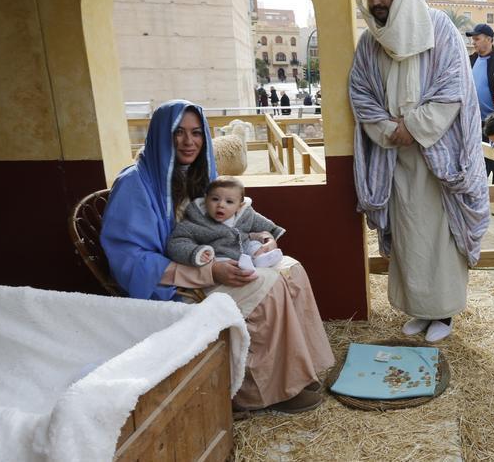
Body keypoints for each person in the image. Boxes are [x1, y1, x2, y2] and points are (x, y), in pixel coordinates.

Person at [100, 100, 334, 413]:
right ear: (160, 134)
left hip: (214, 264)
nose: (188, 141)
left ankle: (301, 371)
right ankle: (259, 393)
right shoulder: (134, 185)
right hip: (173, 285)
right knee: (268, 285)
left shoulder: (198, 173)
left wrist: (260, 238)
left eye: (196, 133)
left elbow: (232, 215)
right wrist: (210, 272)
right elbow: (130, 261)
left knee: (291, 270)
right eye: (178, 132)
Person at [348, 0, 489, 344]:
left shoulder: (438, 27)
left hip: (437, 157)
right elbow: (360, 91)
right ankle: (418, 310)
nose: (376, 0)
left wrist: (415, 127)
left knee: (438, 239)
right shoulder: (369, 42)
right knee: (408, 236)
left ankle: (442, 313)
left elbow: (452, 87)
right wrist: (390, 129)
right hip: (392, 153)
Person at [166, 175, 285, 269]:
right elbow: (176, 243)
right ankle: (246, 267)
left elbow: (265, 226)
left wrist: (269, 237)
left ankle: (262, 259)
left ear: (240, 206)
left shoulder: (245, 215)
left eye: (229, 201)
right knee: (219, 260)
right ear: (206, 199)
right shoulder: (196, 221)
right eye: (215, 199)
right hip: (221, 256)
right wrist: (195, 252)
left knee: (254, 245)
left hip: (246, 249)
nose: (221, 205)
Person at [466, 23, 494, 121]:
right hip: (473, 121)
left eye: (477, 39)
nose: (473, 42)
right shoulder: (469, 61)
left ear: (489, 39)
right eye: (473, 39)